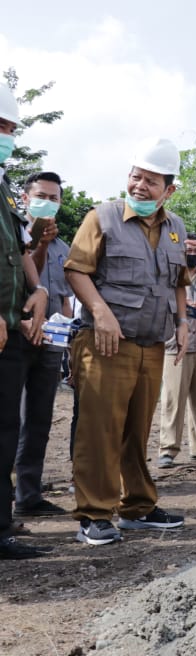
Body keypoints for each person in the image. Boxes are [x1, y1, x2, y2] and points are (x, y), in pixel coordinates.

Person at [64, 137, 189, 545]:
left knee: (138, 431)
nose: (140, 186)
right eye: (136, 176)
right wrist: (100, 312)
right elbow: (76, 270)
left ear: (169, 189)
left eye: (151, 181)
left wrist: (183, 321)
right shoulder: (102, 217)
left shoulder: (176, 228)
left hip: (151, 346)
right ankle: (94, 515)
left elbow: (179, 283)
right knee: (99, 430)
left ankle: (138, 508)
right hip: (105, 346)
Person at [0, 87, 52, 559]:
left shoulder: (1, 191)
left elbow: (17, 253)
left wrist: (38, 290)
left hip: (11, 330)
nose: (6, 136)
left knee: (6, 430)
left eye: (10, 128)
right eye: (1, 127)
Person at [14, 172, 73, 519]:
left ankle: (29, 494)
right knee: (12, 422)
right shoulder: (13, 237)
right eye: (41, 195)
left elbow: (63, 301)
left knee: (40, 420)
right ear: (25, 198)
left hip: (50, 344)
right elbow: (25, 280)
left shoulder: (64, 247)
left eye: (54, 198)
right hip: (18, 339)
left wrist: (64, 341)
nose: (48, 202)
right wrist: (40, 244)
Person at [156, 232, 196, 468]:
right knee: (173, 400)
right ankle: (168, 449)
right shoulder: (169, 275)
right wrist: (182, 307)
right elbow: (159, 302)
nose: (192, 254)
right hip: (176, 345)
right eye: (188, 250)